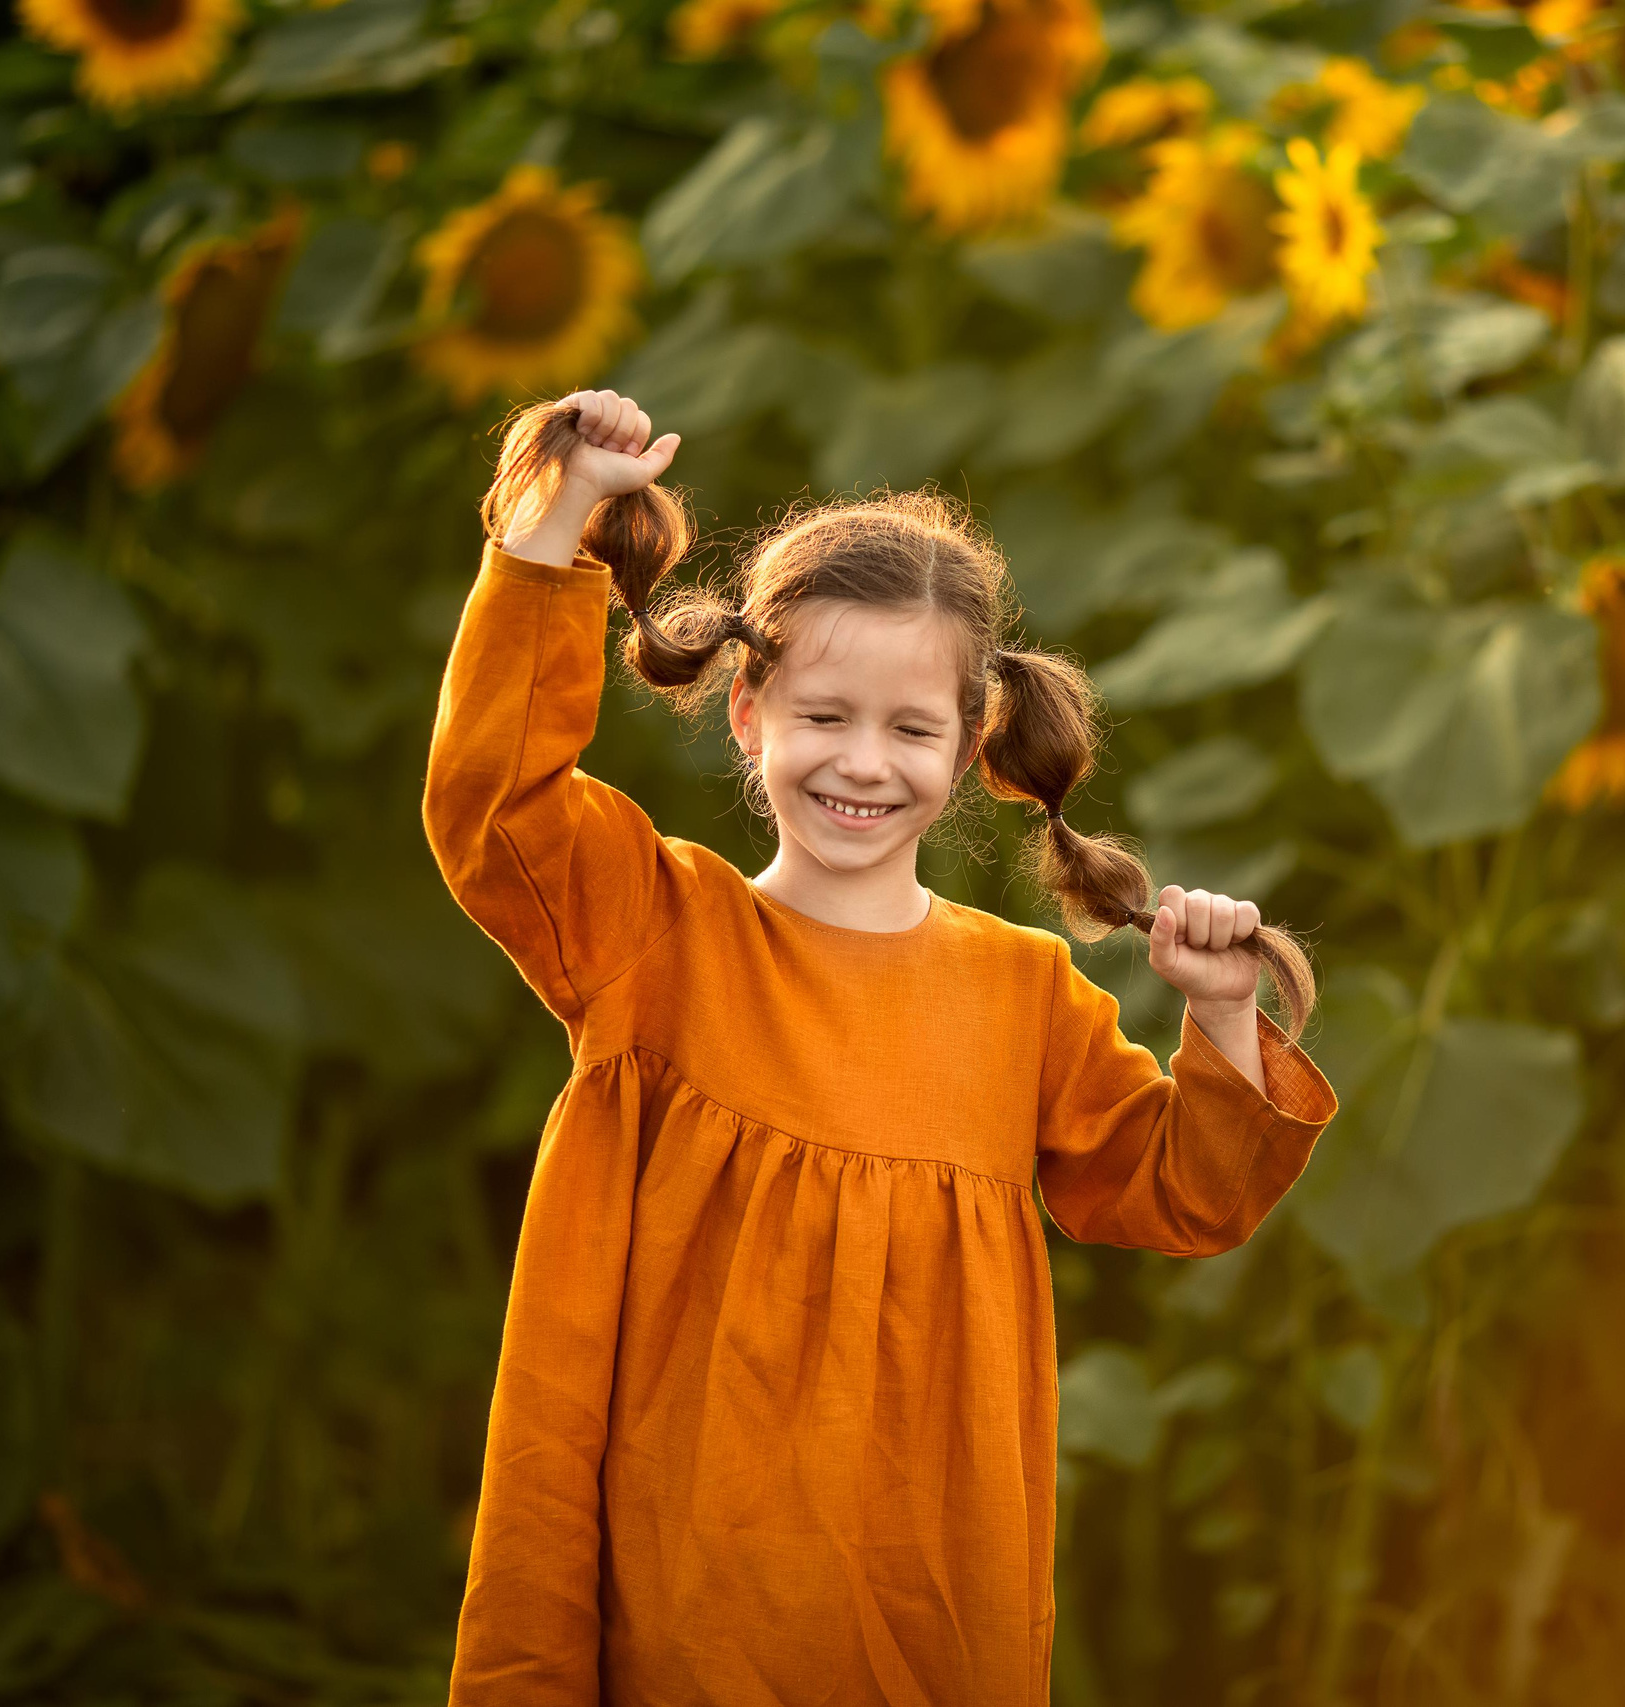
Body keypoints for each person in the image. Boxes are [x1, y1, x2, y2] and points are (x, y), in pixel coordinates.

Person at [424, 388, 1337, 1706]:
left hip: (925, 1595)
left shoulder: (1022, 995)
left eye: (911, 729)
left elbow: (1184, 1191)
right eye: (825, 716)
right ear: (749, 714)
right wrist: (558, 522)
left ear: (970, 749)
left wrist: (1216, 1013)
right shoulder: (653, 929)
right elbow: (489, 797)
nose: (864, 762)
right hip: (692, 1587)